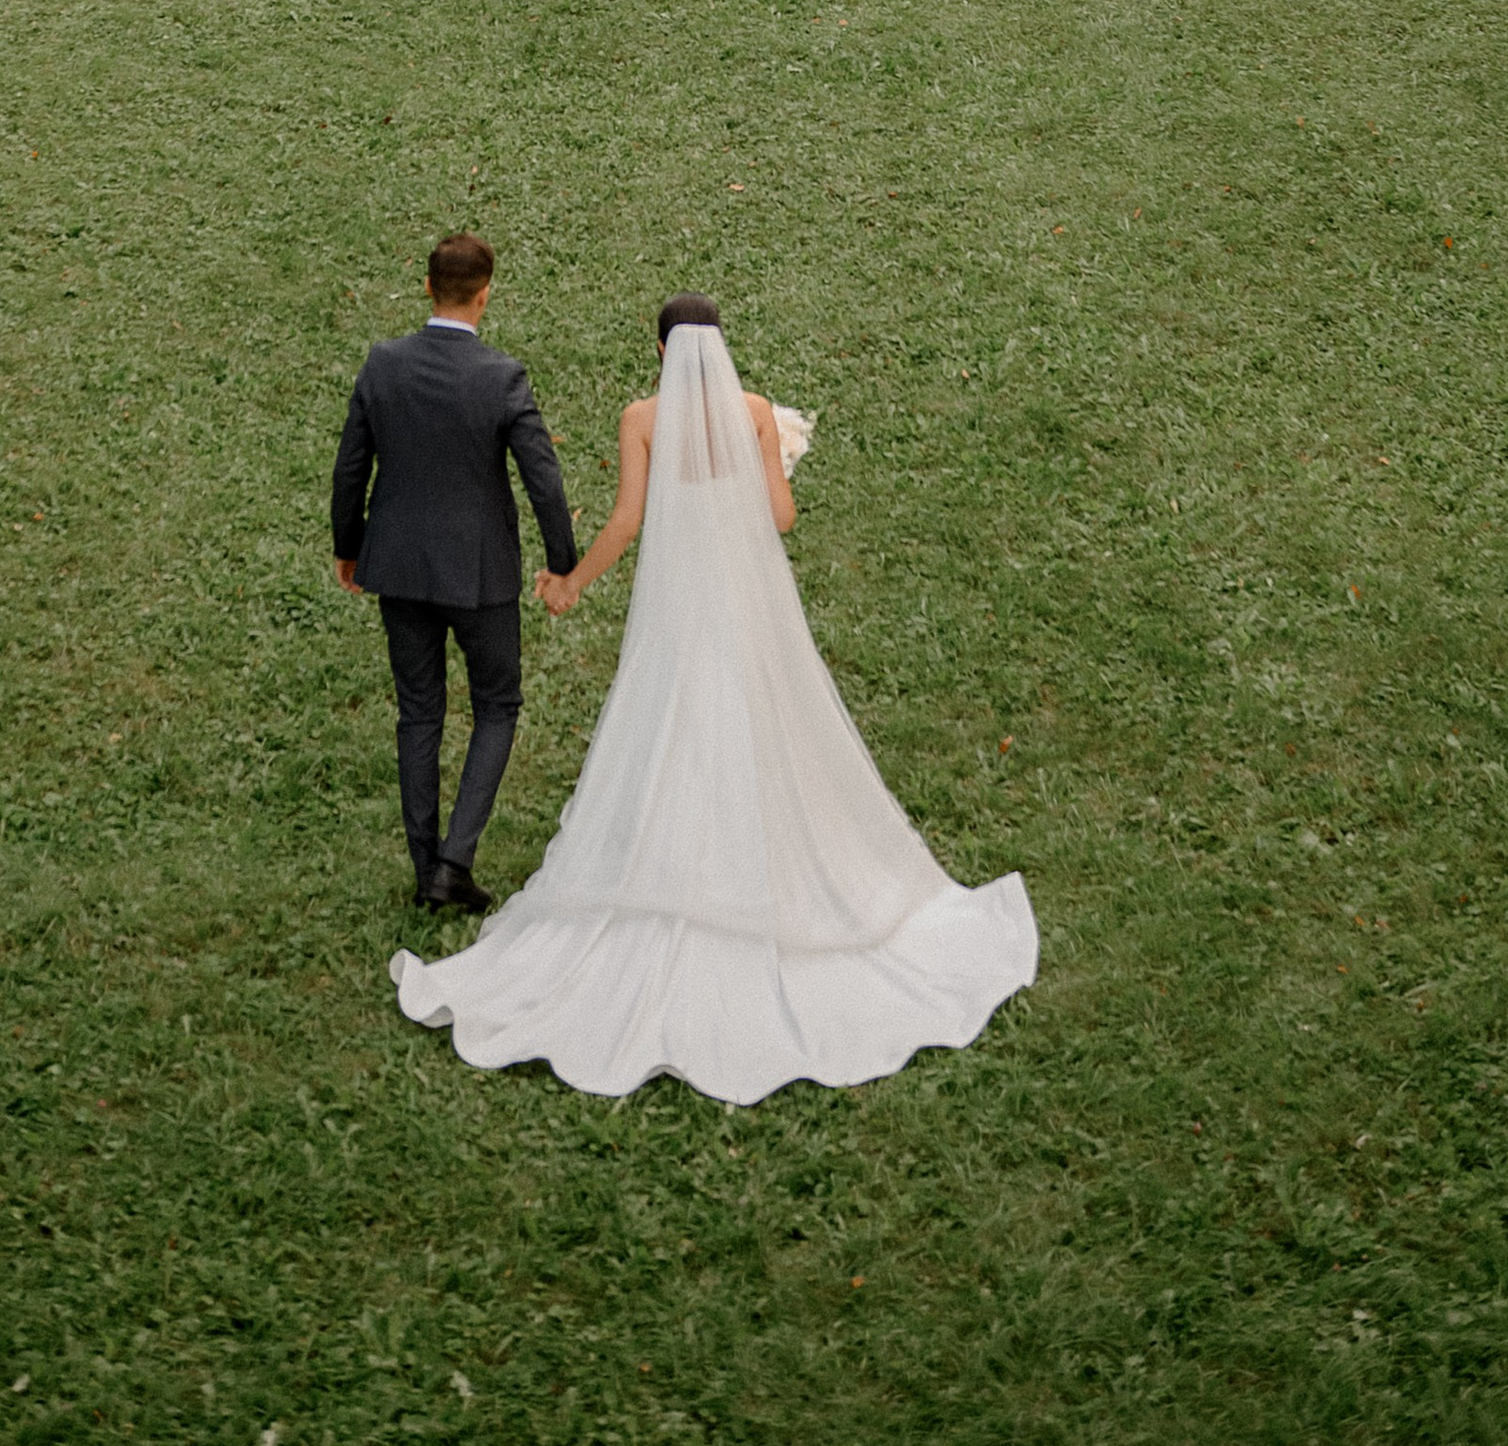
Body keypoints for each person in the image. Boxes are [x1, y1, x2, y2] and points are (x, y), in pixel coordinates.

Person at [391, 293, 1036, 1103]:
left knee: (672, 729)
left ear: (663, 353)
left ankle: (673, 868)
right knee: (763, 727)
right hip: (745, 606)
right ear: (721, 347)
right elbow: (780, 517)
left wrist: (571, 583)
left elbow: (626, 520)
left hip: (678, 608)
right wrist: (770, 462)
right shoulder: (757, 411)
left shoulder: (643, 418)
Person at [332, 232, 577, 914]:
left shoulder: (384, 364)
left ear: (427, 285)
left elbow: (352, 465)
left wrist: (348, 546)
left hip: (400, 566)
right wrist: (563, 562)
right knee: (497, 704)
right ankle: (454, 862)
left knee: (419, 712)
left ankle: (423, 866)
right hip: (481, 576)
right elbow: (543, 481)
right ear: (485, 291)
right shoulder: (501, 377)